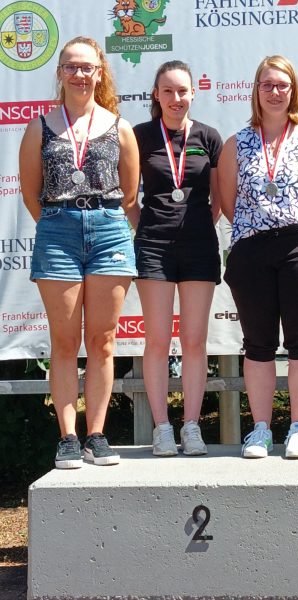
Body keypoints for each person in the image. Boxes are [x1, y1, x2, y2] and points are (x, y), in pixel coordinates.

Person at [19, 36, 139, 468]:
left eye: (86, 66)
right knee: (65, 342)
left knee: (103, 341)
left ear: (100, 72)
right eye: (71, 66)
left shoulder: (119, 126)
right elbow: (31, 193)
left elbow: (129, 194)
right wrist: (58, 225)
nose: (79, 74)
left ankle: (97, 434)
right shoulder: (40, 126)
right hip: (58, 232)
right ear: (60, 73)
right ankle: (68, 437)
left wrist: (99, 221)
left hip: (109, 230)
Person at [218, 55, 298, 459]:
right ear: (256, 90)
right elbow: (229, 203)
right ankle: (261, 430)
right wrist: (259, 229)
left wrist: (296, 230)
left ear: (293, 90)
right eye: (267, 84)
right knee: (258, 344)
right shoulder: (237, 142)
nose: (275, 91)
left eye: (282, 85)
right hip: (252, 249)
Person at [129, 60, 222, 456]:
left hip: (199, 246)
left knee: (195, 339)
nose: (176, 98)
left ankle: (192, 426)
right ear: (156, 95)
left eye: (182, 90)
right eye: (168, 91)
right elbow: (129, 199)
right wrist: (148, 227)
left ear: (193, 94)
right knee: (157, 340)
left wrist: (196, 225)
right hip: (153, 247)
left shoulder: (209, 136)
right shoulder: (138, 136)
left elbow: (218, 200)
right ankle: (163, 428)